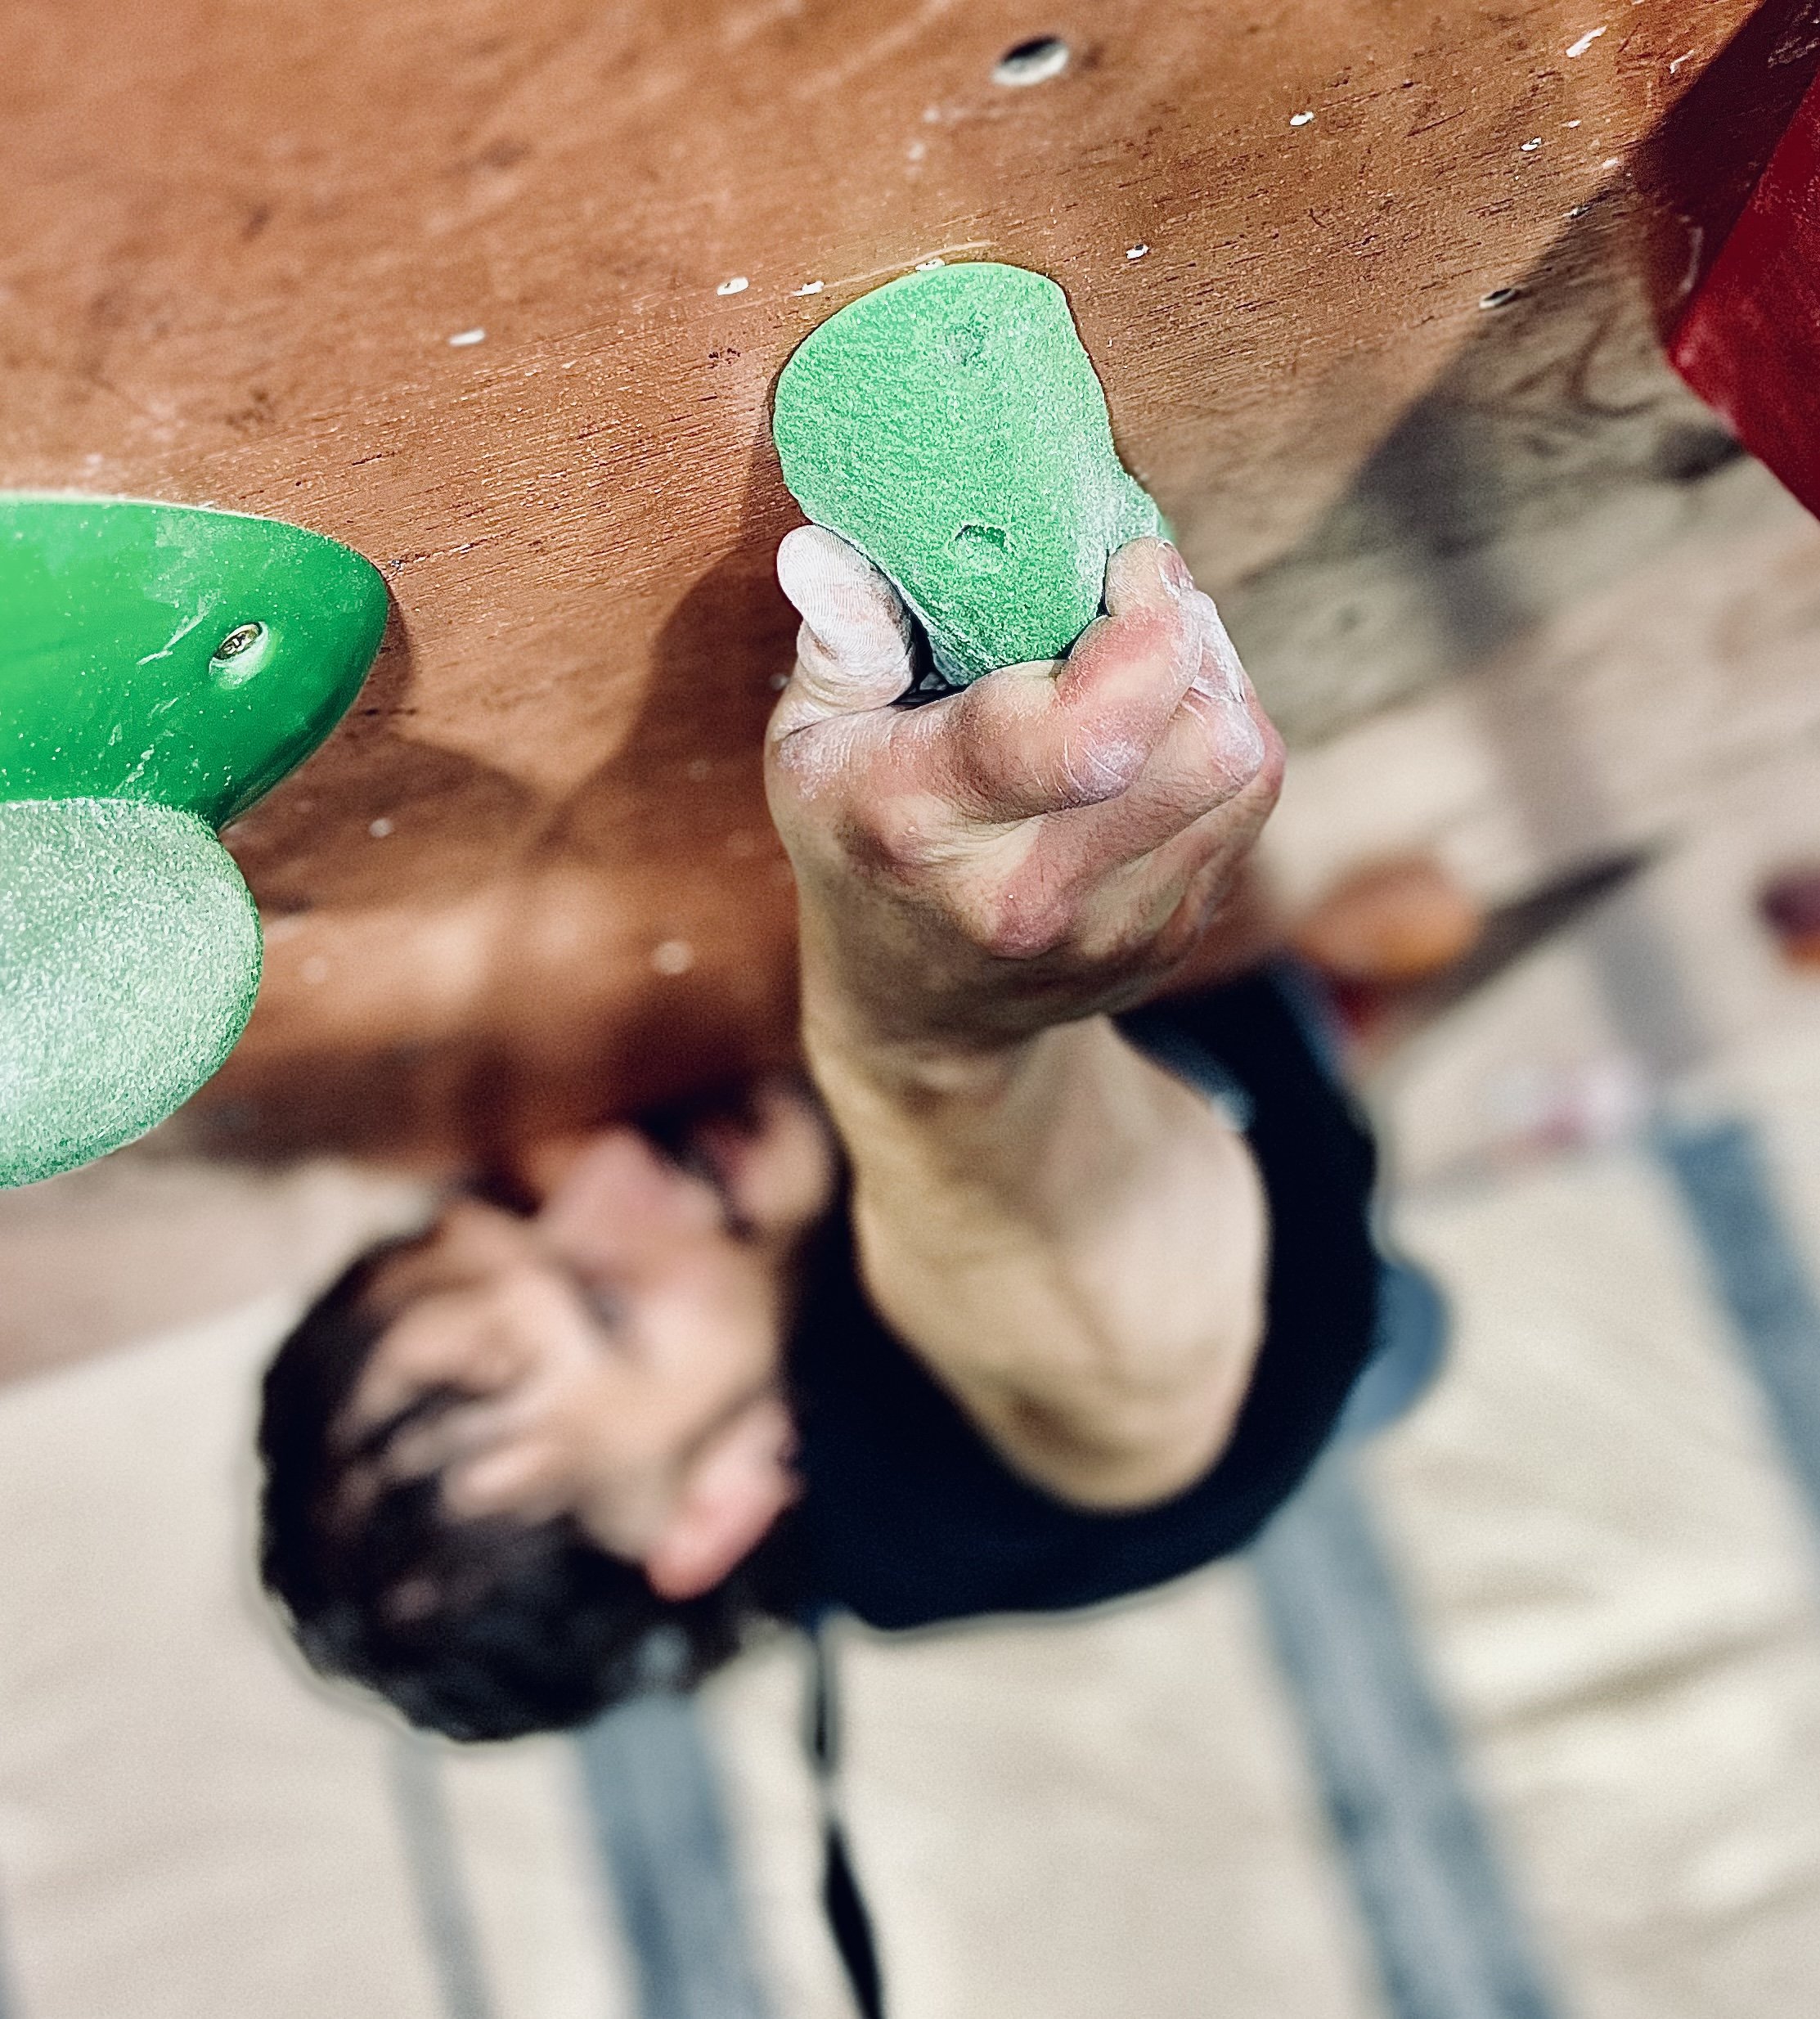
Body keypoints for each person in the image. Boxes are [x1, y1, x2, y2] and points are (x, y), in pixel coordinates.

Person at [258, 530, 1404, 1747]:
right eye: (603, 1305)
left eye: (500, 1206)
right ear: (711, 1511)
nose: (603, 1175)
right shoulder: (930, 1508)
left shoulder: (684, 1208)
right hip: (1280, 1151)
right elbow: (1109, 1367)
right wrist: (934, 1039)